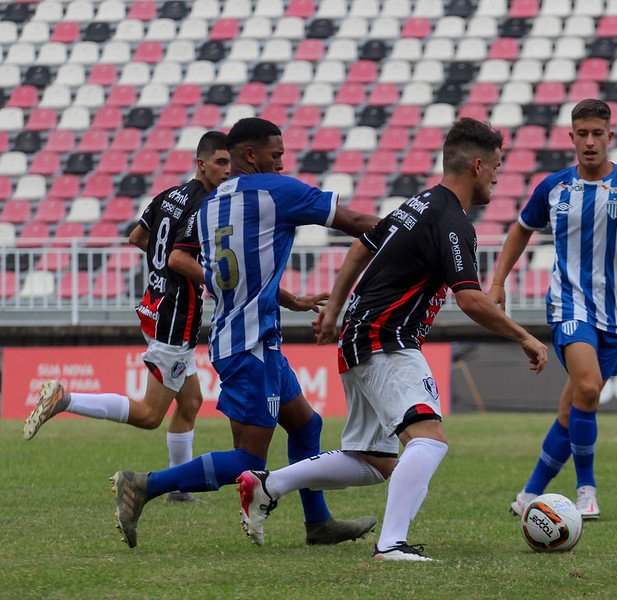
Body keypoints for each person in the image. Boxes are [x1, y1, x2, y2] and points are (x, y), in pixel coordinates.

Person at [236, 117, 549, 562]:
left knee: (369, 460)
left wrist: (335, 309)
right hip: (388, 338)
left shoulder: (417, 204)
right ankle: (391, 545)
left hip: (360, 336)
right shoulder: (451, 221)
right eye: (497, 166)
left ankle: (269, 484)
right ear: (477, 165)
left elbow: (362, 245)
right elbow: (471, 299)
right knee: (429, 438)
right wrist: (525, 337)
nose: (498, 176)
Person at [109, 117, 382, 549]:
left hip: (246, 336)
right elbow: (353, 222)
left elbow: (187, 256)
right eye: (277, 154)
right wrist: (412, 231)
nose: (282, 162)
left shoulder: (212, 202)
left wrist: (283, 297)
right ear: (251, 155)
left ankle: (318, 523)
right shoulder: (277, 191)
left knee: (306, 425)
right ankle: (143, 484)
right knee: (249, 458)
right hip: (249, 343)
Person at [488, 99, 617, 520]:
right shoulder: (553, 187)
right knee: (590, 388)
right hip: (568, 303)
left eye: (598, 133)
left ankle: (529, 494)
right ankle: (586, 490)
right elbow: (521, 230)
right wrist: (499, 280)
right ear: (572, 137)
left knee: (576, 403)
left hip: (615, 313)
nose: (591, 141)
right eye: (583, 134)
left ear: (610, 137)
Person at [23, 132, 231, 504]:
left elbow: (137, 236)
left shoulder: (168, 195)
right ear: (202, 163)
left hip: (155, 302)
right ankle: (64, 399)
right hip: (175, 314)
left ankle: (179, 490)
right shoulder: (207, 204)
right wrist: (209, 277)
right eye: (221, 162)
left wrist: (164, 267)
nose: (227, 170)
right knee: (151, 414)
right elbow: (177, 258)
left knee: (191, 401)